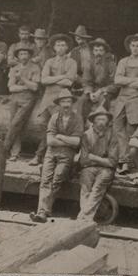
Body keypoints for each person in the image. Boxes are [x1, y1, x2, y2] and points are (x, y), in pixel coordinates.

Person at [30, 89, 83, 223]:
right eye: (63, 101)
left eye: (68, 101)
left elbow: (77, 142)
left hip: (67, 155)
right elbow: (50, 141)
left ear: (72, 103)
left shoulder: (78, 118)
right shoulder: (54, 117)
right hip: (51, 153)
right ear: (59, 104)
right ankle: (42, 212)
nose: (66, 104)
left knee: (57, 179)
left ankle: (43, 211)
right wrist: (67, 140)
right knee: (45, 180)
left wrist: (60, 136)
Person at [30, 34, 77, 166]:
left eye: (63, 45)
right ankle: (44, 156)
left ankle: (41, 156)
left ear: (67, 47)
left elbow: (69, 81)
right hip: (48, 98)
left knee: (58, 128)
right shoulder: (49, 62)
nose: (60, 48)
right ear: (54, 47)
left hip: (62, 98)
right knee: (43, 125)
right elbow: (44, 80)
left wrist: (54, 79)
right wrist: (61, 77)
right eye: (58, 45)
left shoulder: (71, 62)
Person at [112, 33, 138, 174]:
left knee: (131, 129)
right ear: (129, 47)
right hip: (122, 98)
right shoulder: (123, 61)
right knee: (117, 127)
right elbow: (117, 80)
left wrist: (126, 79)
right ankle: (122, 159)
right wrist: (135, 81)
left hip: (136, 98)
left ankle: (130, 163)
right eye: (133, 45)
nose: (135, 48)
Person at [77, 106, 119, 221]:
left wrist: (94, 157)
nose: (101, 122)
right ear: (94, 120)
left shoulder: (112, 135)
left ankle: (83, 218)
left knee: (97, 189)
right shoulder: (86, 135)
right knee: (85, 189)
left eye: (104, 119)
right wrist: (102, 160)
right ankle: (85, 218)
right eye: (98, 119)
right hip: (89, 168)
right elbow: (84, 160)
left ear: (107, 121)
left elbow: (113, 162)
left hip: (106, 170)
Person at [4, 46, 41, 161]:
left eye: (25, 54)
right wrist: (26, 86)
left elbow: (35, 87)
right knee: (14, 124)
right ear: (18, 56)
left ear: (29, 56)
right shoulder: (14, 68)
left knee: (15, 123)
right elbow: (11, 87)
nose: (23, 56)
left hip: (28, 99)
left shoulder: (35, 68)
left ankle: (4, 149)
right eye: (21, 54)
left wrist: (22, 78)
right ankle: (15, 153)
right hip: (15, 98)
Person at [77, 37, 117, 125]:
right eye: (96, 50)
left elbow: (115, 84)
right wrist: (90, 92)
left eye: (101, 50)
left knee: (103, 101)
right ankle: (80, 127)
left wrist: (101, 91)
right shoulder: (90, 63)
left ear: (105, 52)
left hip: (107, 90)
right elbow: (87, 81)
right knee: (82, 101)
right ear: (93, 51)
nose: (98, 53)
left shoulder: (111, 64)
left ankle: (100, 125)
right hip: (93, 89)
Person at [68, 25, 94, 90]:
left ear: (86, 39)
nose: (80, 40)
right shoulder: (74, 51)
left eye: (82, 38)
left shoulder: (93, 50)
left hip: (91, 78)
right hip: (78, 79)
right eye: (77, 38)